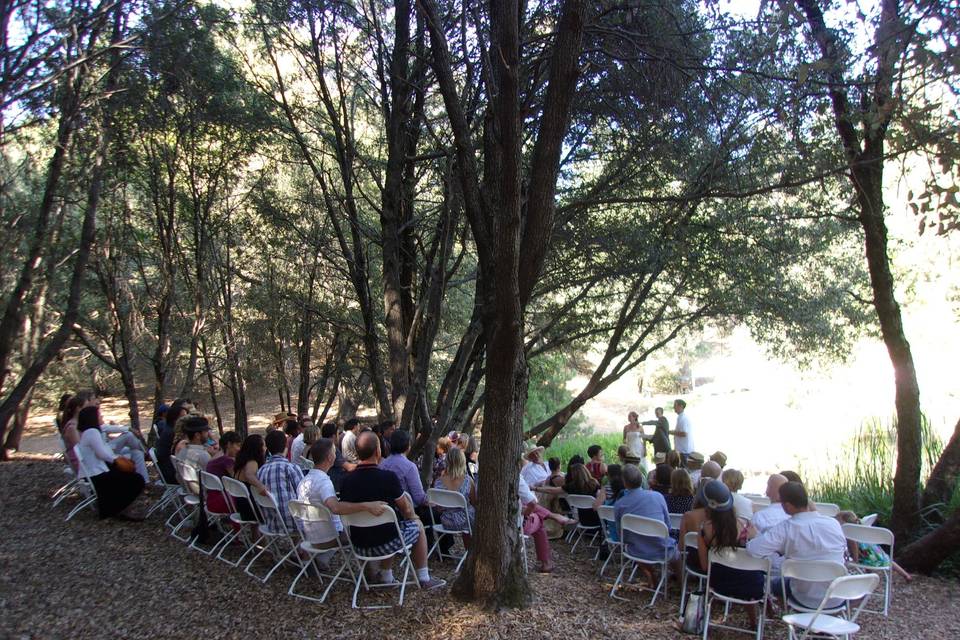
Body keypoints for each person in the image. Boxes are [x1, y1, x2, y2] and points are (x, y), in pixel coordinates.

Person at [339, 431, 446, 589]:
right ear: (378, 451)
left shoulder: (346, 480)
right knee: (416, 526)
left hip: (358, 545)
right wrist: (413, 517)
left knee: (390, 525)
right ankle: (424, 578)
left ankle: (387, 577)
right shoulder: (388, 477)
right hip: (386, 542)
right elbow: (406, 509)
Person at [747, 482, 848, 610]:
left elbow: (753, 550)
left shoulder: (785, 528)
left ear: (787, 505)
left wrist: (755, 536)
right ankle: (820, 620)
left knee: (773, 583)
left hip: (803, 597)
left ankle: (794, 616)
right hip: (838, 596)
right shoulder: (833, 523)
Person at [697, 480, 765, 629]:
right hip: (752, 587)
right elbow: (761, 557)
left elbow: (704, 566)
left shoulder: (704, 531)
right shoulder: (747, 527)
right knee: (748, 573)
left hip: (719, 584)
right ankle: (754, 623)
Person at [296, 438, 386, 546]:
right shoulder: (323, 482)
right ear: (330, 457)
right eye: (334, 452)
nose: (336, 455)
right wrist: (367, 506)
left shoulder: (304, 481)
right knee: (366, 530)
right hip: (329, 538)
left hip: (309, 537)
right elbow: (336, 508)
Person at [74, 406, 145, 520]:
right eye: (99, 414)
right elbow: (102, 453)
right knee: (136, 480)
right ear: (92, 417)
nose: (101, 416)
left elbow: (107, 433)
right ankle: (119, 508)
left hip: (95, 473)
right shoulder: (92, 432)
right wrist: (117, 461)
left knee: (128, 474)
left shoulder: (89, 432)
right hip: (96, 475)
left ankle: (122, 507)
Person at [613, 464, 678, 572]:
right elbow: (668, 526)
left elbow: (621, 535)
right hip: (662, 549)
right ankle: (681, 585)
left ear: (624, 482)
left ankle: (652, 578)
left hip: (634, 550)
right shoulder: (657, 496)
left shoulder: (619, 504)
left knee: (638, 541)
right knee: (678, 555)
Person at [519, 458, 576, 573]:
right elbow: (533, 502)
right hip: (515, 523)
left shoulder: (480, 477)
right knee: (539, 521)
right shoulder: (516, 479)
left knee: (533, 510)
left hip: (489, 521)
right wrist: (525, 512)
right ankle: (546, 563)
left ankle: (555, 517)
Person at [835, 511, 912, 581]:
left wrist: (855, 560)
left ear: (844, 523)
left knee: (847, 563)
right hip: (878, 555)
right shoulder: (862, 528)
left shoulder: (850, 533)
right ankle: (906, 575)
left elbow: (854, 548)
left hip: (867, 559)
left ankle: (867, 575)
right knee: (889, 561)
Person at [257, 429, 304, 531]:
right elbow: (304, 495)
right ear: (286, 446)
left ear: (268, 449)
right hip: (294, 523)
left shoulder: (261, 471)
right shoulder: (291, 468)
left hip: (271, 523)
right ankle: (298, 545)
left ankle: (296, 545)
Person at [433, 447, 476, 538]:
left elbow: (438, 508)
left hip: (446, 521)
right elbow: (475, 503)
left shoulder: (438, 482)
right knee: (471, 512)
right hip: (466, 521)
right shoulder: (468, 481)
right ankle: (469, 549)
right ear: (462, 461)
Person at [232, 434, 268, 521]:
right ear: (257, 448)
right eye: (263, 445)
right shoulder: (252, 462)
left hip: (241, 505)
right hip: (251, 509)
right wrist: (261, 486)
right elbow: (249, 475)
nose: (265, 448)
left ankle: (256, 535)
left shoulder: (241, 461)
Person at [205, 431, 242, 513]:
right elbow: (238, 479)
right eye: (237, 445)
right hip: (224, 501)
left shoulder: (214, 458)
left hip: (211, 499)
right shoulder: (227, 461)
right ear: (229, 444)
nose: (239, 449)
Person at [155, 400, 189, 483]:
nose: (187, 419)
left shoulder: (170, 429)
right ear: (175, 419)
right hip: (172, 474)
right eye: (183, 417)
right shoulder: (172, 433)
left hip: (171, 469)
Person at [564, 463, 602, 529]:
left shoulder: (571, 487)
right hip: (597, 519)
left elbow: (555, 490)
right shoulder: (594, 483)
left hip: (582, 519)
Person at [321, 422, 354, 491]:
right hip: (334, 483)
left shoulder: (320, 445)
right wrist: (363, 464)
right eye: (338, 434)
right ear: (334, 436)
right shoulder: (332, 448)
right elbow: (349, 467)